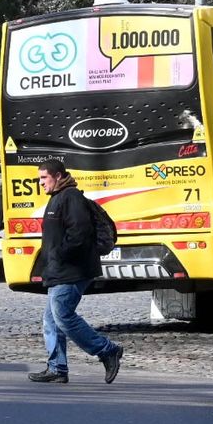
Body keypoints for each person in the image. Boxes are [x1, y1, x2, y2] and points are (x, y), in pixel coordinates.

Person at [27, 158, 123, 384]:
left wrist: (59, 255)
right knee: (51, 319)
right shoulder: (57, 198)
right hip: (59, 270)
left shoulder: (71, 198)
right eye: (39, 178)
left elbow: (79, 235)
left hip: (72, 270)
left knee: (62, 315)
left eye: (44, 178)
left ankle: (107, 350)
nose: (40, 183)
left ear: (58, 176)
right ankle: (57, 367)